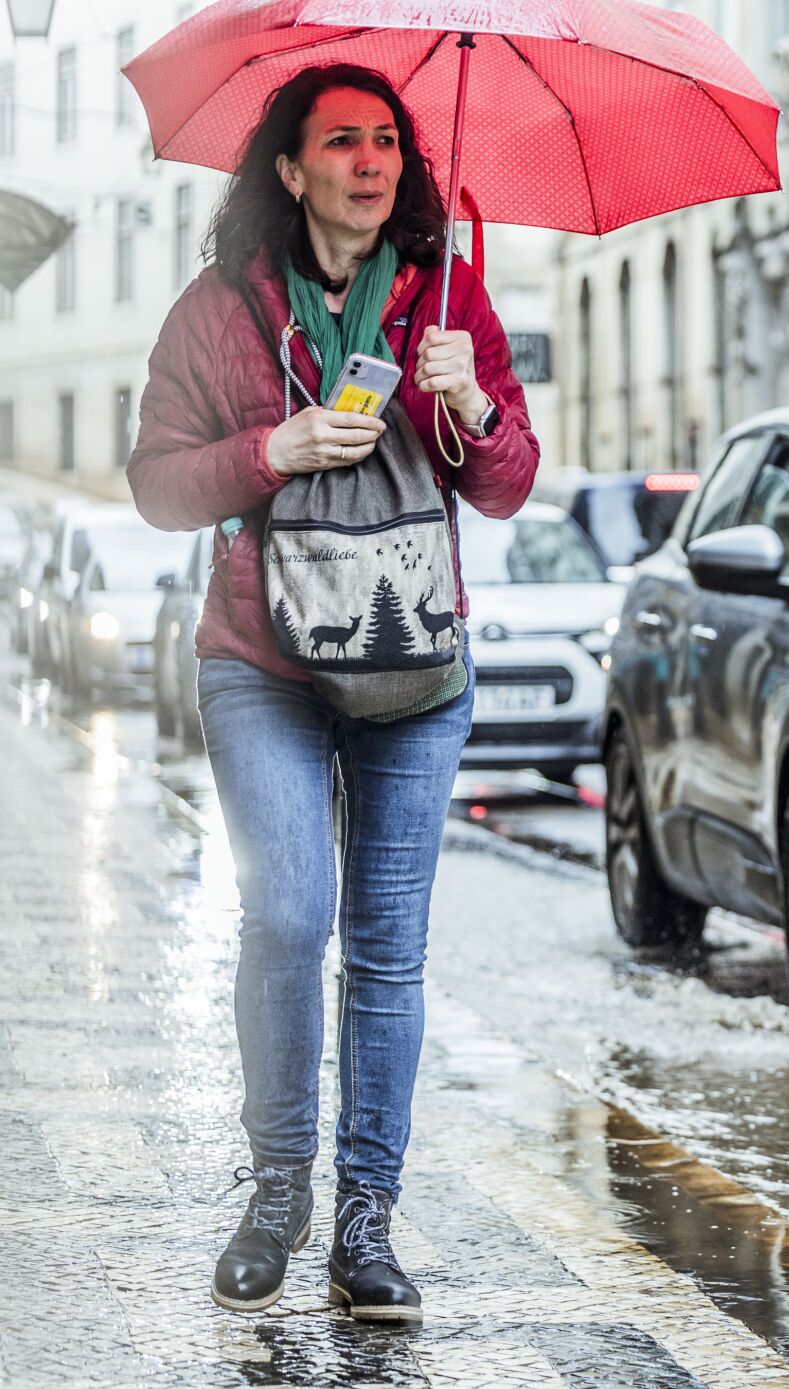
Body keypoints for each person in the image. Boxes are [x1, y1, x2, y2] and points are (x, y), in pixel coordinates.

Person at [127, 64, 539, 1323]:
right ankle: (277, 1189)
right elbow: (154, 487)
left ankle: (366, 1221)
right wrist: (273, 450)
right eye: (343, 141)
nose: (373, 160)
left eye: (391, 141)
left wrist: (466, 397)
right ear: (291, 170)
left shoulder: (448, 296)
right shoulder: (218, 313)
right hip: (264, 662)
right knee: (290, 917)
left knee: (387, 950)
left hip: (413, 666)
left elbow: (509, 484)